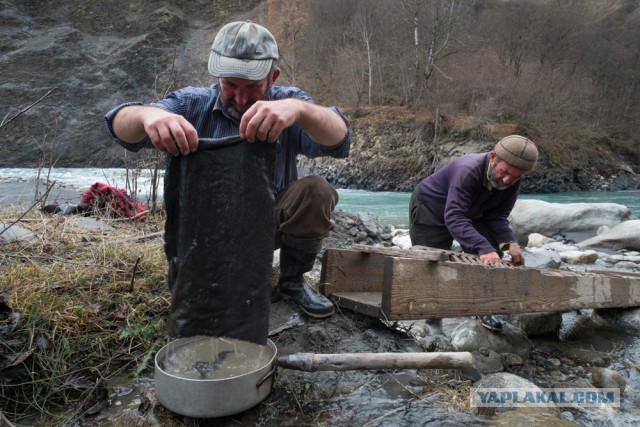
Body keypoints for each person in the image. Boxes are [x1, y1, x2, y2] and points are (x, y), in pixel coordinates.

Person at [104, 21, 351, 319]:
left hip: (267, 225)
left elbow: (339, 138)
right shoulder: (192, 104)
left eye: (253, 88)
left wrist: (300, 109)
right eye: (230, 86)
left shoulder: (289, 104)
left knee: (316, 190)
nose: (241, 99)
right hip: (205, 232)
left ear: (272, 78)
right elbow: (117, 125)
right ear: (218, 77)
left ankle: (292, 281)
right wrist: (148, 115)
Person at [409, 135, 538, 333]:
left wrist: (509, 242)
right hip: (432, 207)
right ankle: (432, 321)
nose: (506, 180)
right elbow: (454, 216)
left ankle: (482, 309)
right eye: (504, 172)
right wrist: (482, 247)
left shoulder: (511, 181)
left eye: (515, 177)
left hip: (473, 210)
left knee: (493, 252)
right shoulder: (467, 170)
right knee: (432, 262)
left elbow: (497, 216)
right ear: (493, 157)